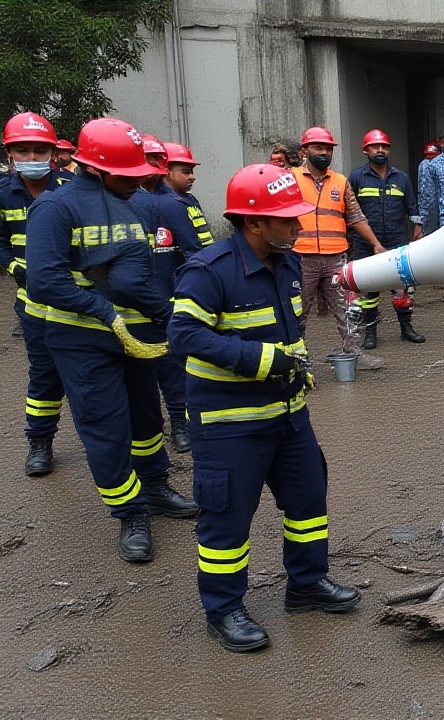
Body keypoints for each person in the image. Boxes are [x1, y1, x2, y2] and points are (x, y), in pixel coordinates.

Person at [169, 163, 360, 652]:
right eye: (288, 219)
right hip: (230, 425)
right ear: (253, 222)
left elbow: (289, 332)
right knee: (227, 520)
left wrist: (295, 364)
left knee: (308, 501)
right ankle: (224, 609)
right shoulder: (208, 270)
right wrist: (262, 359)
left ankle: (306, 584)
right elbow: (184, 335)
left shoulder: (287, 262)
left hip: (289, 417)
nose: (298, 227)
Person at [26, 118, 197, 564]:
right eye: (127, 174)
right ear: (95, 169)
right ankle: (130, 513)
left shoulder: (134, 202)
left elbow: (140, 274)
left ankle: (156, 485)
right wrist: (104, 313)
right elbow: (45, 281)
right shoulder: (54, 208)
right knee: (105, 427)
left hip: (135, 334)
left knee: (146, 418)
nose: (138, 181)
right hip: (81, 339)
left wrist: (167, 313)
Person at [0, 112, 75, 476]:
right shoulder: (2, 194)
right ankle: (40, 442)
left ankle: (110, 445)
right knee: (44, 376)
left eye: (39, 150)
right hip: (34, 305)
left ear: (53, 152)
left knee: (89, 375)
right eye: (23, 151)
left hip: (77, 303)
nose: (31, 158)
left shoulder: (72, 189)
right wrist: (16, 268)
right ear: (10, 154)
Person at [129, 135, 207, 455]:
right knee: (136, 376)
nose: (153, 166)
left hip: (169, 300)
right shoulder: (118, 202)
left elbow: (196, 253)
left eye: (156, 160)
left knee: (175, 370)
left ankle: (179, 424)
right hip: (130, 305)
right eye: (146, 158)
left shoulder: (176, 204)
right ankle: (146, 432)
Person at [291, 126, 385, 370]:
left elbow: (356, 217)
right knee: (296, 312)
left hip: (336, 258)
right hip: (301, 258)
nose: (324, 153)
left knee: (349, 308)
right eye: (318, 148)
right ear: (305, 151)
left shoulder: (341, 182)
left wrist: (376, 244)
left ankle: (355, 352)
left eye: (328, 149)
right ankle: (297, 359)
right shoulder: (291, 180)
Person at [349, 129, 425, 349]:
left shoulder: (401, 178)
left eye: (384, 146)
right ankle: (370, 332)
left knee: (402, 287)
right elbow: (350, 210)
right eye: (375, 146)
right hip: (366, 243)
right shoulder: (357, 177)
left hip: (396, 241)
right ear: (366, 150)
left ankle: (406, 328)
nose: (380, 150)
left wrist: (418, 227)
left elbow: (412, 206)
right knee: (369, 289)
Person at [161, 142, 214, 249]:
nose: (192, 177)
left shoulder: (189, 199)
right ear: (167, 171)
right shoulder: (165, 203)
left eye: (192, 172)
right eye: (186, 172)